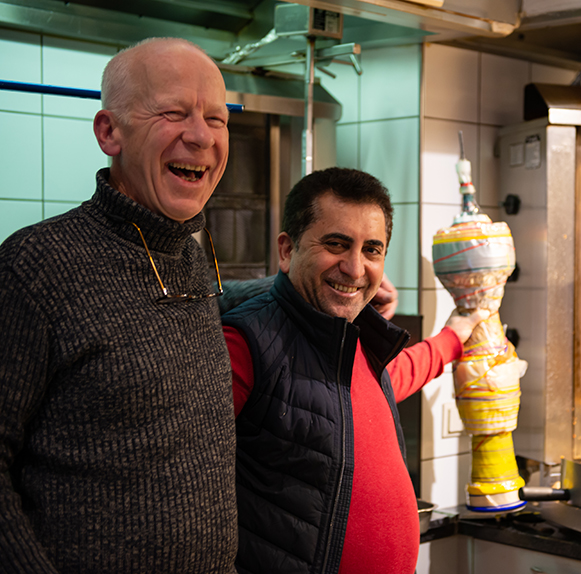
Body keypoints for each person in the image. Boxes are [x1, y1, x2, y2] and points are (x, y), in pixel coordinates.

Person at [0, 38, 237, 573]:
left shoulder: (191, 258)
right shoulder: (36, 264)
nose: (200, 135)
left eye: (217, 119)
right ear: (109, 132)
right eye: (173, 113)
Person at [221, 167, 487, 574]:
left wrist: (454, 337)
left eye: (371, 250)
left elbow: (394, 380)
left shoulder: (355, 340)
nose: (355, 268)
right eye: (336, 244)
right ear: (287, 250)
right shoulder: (244, 343)